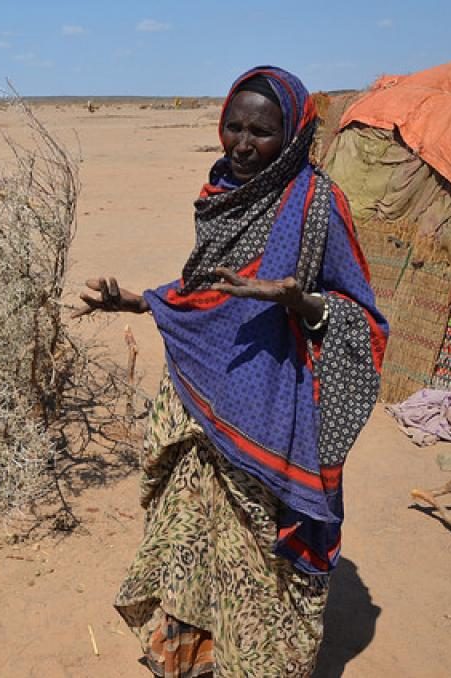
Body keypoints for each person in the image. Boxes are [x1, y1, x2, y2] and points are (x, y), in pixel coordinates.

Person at [76, 66, 388, 677]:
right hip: (199, 397)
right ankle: (195, 656)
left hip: (271, 412)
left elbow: (364, 320)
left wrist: (297, 301)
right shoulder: (223, 190)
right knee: (194, 531)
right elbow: (205, 288)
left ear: (292, 136)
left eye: (261, 132)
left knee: (259, 552)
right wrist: (139, 302)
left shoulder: (318, 204)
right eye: (234, 127)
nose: (242, 145)